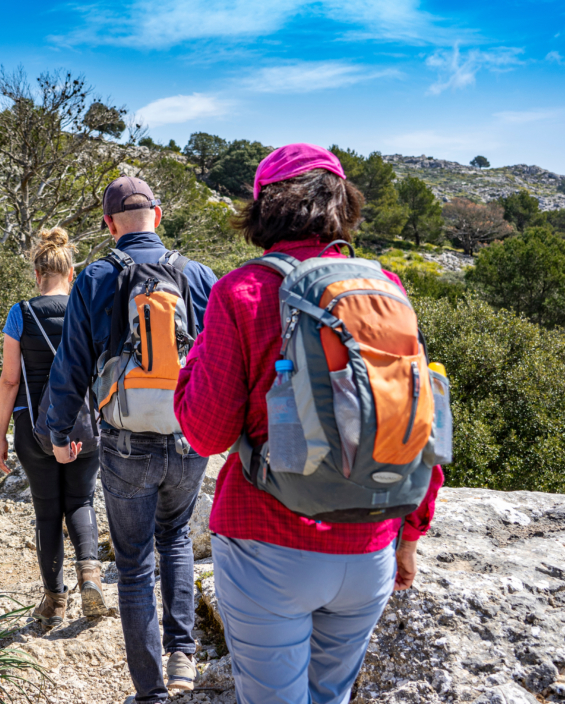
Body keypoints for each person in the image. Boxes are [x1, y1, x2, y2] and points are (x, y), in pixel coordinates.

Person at [174, 143, 444, 704]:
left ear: (263, 209)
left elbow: (207, 432)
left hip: (267, 541)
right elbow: (415, 415)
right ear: (342, 204)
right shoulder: (385, 288)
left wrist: (191, 368)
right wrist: (409, 535)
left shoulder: (242, 292)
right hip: (370, 541)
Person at [47, 176, 217, 702]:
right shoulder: (198, 275)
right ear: (158, 216)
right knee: (177, 539)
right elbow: (222, 359)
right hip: (189, 434)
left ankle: (150, 692)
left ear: (109, 223)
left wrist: (59, 430)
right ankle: (183, 657)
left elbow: (71, 363)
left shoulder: (96, 276)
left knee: (135, 561)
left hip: (124, 439)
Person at [0, 227, 106, 628]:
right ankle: (90, 575)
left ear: (36, 273)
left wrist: (0, 435)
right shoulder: (87, 309)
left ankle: (54, 602)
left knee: (47, 513)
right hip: (83, 423)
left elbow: (9, 381)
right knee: (81, 501)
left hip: (32, 425)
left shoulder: (21, 313)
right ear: (71, 273)